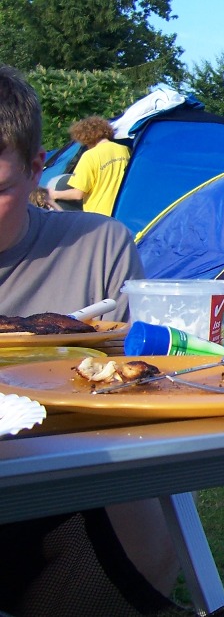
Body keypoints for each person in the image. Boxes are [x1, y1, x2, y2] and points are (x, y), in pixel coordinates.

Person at [0, 65, 179, 616]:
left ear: (37, 170)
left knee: (143, 526)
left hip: (62, 487)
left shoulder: (99, 245)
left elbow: (138, 386)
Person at [48, 115, 130, 216]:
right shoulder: (125, 150)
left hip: (99, 216)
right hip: (122, 212)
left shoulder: (90, 156)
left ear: (86, 137)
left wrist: (55, 194)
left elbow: (78, 194)